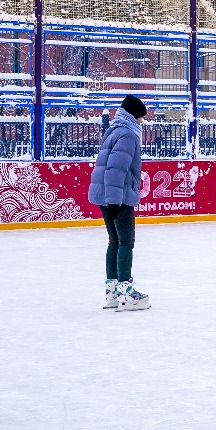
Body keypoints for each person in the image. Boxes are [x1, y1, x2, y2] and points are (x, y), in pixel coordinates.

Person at [88, 95, 150, 312]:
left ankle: (113, 292)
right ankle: (126, 293)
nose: (142, 122)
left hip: (106, 194)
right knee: (125, 242)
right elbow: (116, 169)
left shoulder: (115, 130)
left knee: (114, 241)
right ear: (134, 116)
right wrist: (114, 201)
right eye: (141, 118)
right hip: (118, 195)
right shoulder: (128, 135)